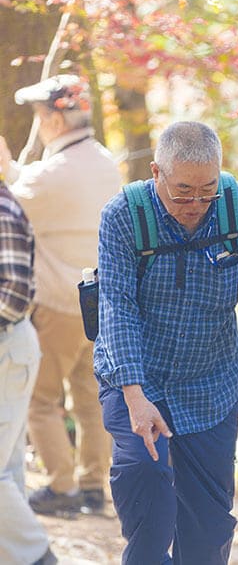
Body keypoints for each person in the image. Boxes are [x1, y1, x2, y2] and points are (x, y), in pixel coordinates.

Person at [93, 121, 238, 564]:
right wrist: (135, 397)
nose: (196, 204)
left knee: (210, 525)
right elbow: (116, 307)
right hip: (137, 378)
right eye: (183, 192)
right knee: (146, 482)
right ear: (157, 173)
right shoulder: (123, 215)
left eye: (207, 190)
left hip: (210, 383)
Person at [0, 74, 121, 514]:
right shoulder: (105, 162)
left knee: (41, 399)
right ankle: (92, 486)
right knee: (91, 399)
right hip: (102, 303)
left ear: (54, 118)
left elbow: (13, 199)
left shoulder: (53, 174)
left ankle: (62, 488)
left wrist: (4, 165)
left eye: (39, 114)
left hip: (59, 305)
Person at [0, 172, 57, 564]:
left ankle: (37, 556)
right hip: (9, 348)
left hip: (8, 347)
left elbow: (15, 294)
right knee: (9, 469)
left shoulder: (2, 210)